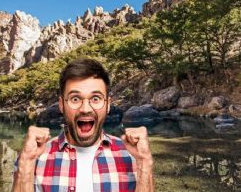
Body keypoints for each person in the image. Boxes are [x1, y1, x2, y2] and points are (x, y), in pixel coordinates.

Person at [12, 58, 154, 192]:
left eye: (96, 98)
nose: (85, 109)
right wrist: (26, 162)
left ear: (108, 104)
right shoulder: (35, 156)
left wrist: (144, 163)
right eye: (75, 99)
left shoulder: (133, 155)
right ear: (61, 105)